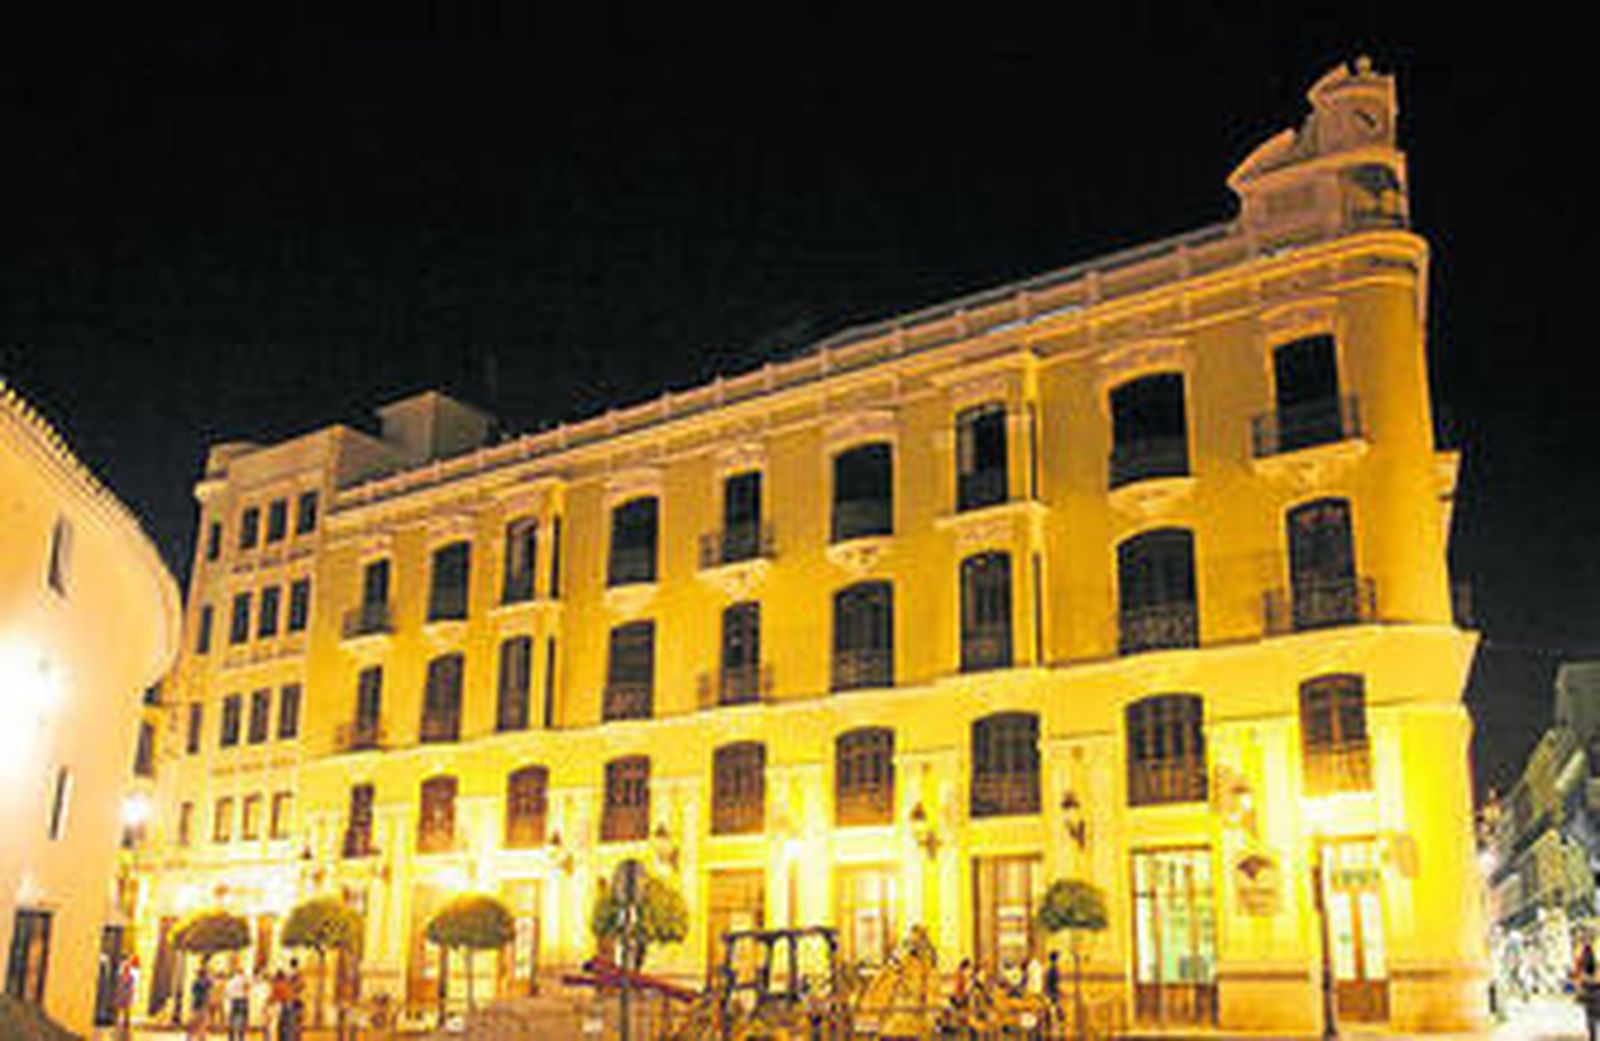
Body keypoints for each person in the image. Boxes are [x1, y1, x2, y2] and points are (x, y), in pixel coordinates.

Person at [1575, 938, 1600, 1041]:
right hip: (1592, 988)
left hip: (1591, 988)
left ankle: (1593, 1038)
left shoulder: (1585, 952)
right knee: (1591, 1018)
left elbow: (1580, 971)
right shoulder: (1585, 952)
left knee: (1591, 1019)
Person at [114, 955, 139, 1041]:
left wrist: (130, 995)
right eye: (125, 967)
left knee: (126, 1011)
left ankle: (126, 1024)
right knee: (119, 1010)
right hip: (122, 995)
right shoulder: (120, 976)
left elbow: (131, 987)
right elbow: (119, 986)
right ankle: (118, 1023)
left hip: (127, 995)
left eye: (127, 967)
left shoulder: (131, 977)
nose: (126, 969)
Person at [189, 966, 214, 1041]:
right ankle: (200, 1037)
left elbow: (193, 991)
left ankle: (193, 1037)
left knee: (195, 1021)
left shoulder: (196, 982)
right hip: (202, 1003)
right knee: (201, 1021)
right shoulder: (204, 982)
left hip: (197, 1003)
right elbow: (210, 984)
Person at [225, 967, 250, 1041]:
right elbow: (247, 990)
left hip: (234, 1001)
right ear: (242, 972)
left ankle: (231, 1037)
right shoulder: (244, 980)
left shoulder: (231, 981)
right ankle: (241, 1038)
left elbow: (227, 992)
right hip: (242, 1000)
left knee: (232, 1020)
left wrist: (231, 997)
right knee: (242, 1020)